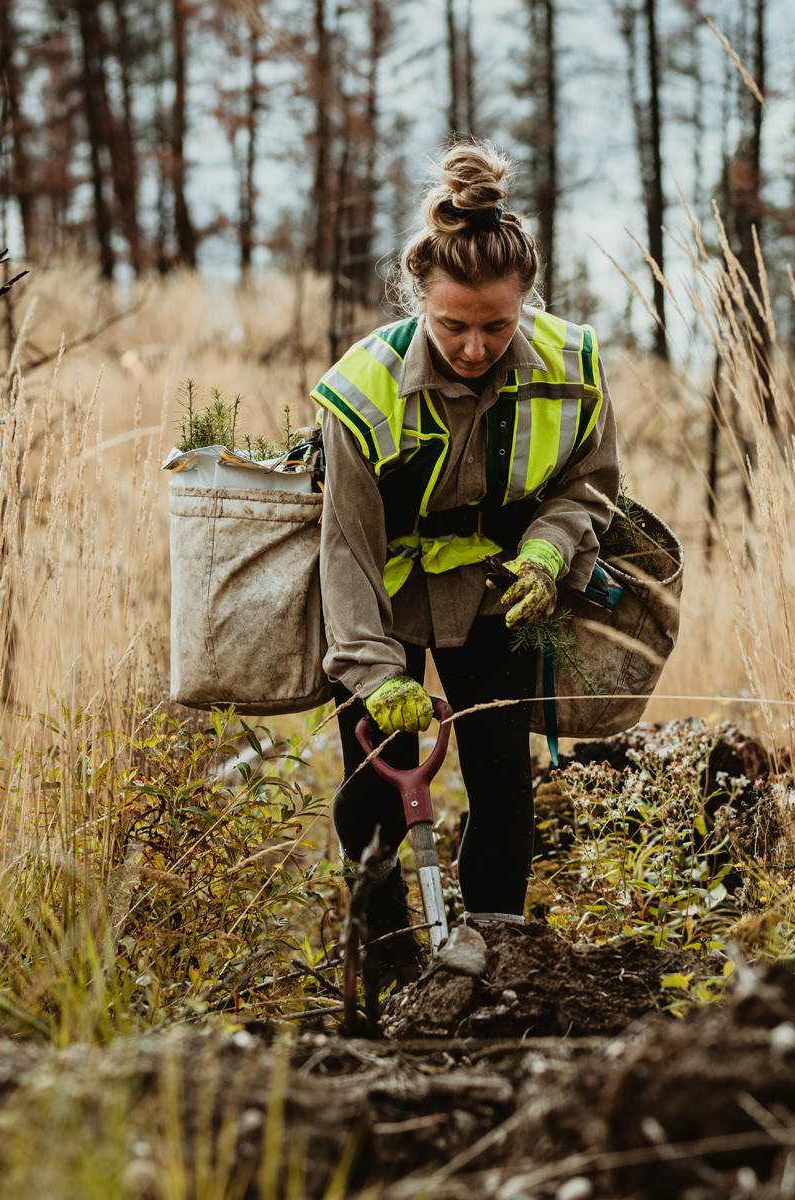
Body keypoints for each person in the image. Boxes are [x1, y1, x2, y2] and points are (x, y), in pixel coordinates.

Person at [310, 139, 619, 983]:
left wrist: (550, 554)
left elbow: (591, 487)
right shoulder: (361, 391)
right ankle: (383, 970)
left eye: (496, 325)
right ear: (417, 300)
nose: (476, 346)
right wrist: (376, 676)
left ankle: (497, 960)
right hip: (385, 598)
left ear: (526, 300)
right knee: (372, 790)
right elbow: (347, 550)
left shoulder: (573, 367)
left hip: (498, 592)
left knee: (501, 778)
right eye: (452, 325)